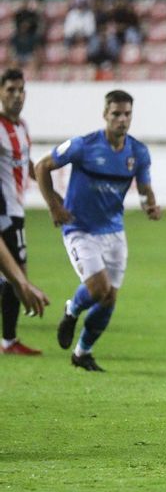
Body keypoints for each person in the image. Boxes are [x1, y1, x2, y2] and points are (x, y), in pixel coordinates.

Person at [34, 90, 162, 372]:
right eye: (116, 113)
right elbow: (41, 166)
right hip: (79, 228)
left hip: (114, 231)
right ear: (105, 115)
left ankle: (82, 353)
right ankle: (71, 310)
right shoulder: (83, 145)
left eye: (127, 114)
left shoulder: (137, 152)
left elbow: (144, 188)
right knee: (98, 288)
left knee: (109, 298)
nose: (122, 119)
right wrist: (54, 205)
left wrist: (148, 205)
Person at [0, 68, 49, 355]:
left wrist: (49, 194)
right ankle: (8, 341)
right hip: (4, 212)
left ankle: (9, 340)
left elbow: (26, 162)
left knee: (14, 278)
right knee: (18, 278)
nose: (17, 96)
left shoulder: (22, 127)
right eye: (10, 90)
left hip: (16, 209)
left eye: (21, 90)